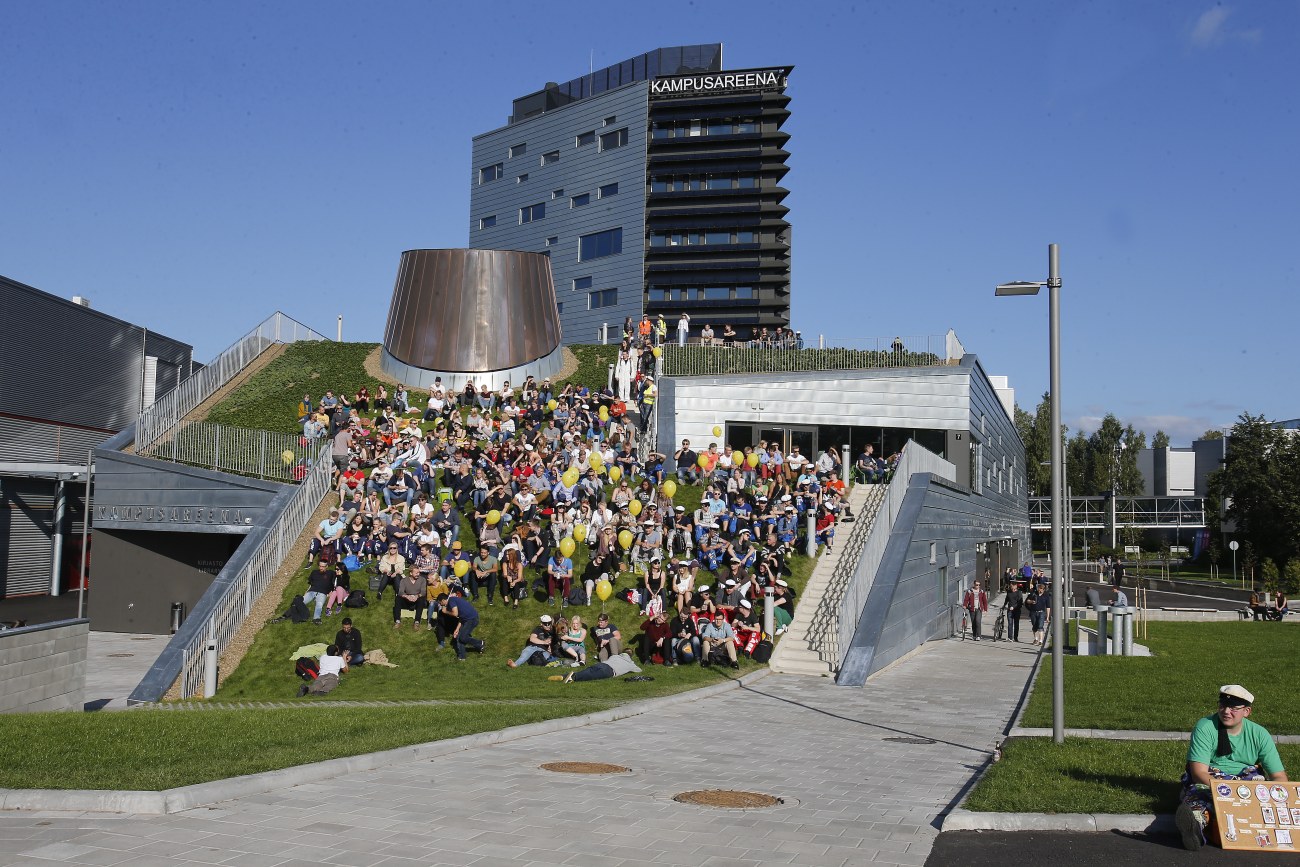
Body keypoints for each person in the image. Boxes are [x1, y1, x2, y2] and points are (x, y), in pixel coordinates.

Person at [1176, 684, 1288, 851]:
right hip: (1212, 779)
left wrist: (1274, 794)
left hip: (1247, 783)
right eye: (1222, 706)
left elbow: (1279, 776)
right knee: (1200, 797)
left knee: (1262, 800)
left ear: (1247, 711)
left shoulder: (1260, 734)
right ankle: (1195, 825)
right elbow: (1198, 772)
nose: (1226, 711)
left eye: (1233, 708)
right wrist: (1225, 790)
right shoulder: (1205, 726)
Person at [438, 589, 485, 660]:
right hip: (466, 619)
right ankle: (462, 657)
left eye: (440, 603)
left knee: (462, 637)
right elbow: (460, 616)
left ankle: (480, 643)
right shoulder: (453, 600)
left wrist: (446, 612)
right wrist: (457, 629)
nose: (441, 605)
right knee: (459, 637)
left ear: (443, 600)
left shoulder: (451, 601)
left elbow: (455, 613)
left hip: (472, 619)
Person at [562, 651, 643, 683]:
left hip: (602, 664)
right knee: (591, 676)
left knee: (588, 670)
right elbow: (639, 670)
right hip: (610, 671)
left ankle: (566, 676)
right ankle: (573, 678)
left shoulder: (615, 656)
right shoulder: (631, 664)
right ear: (630, 656)